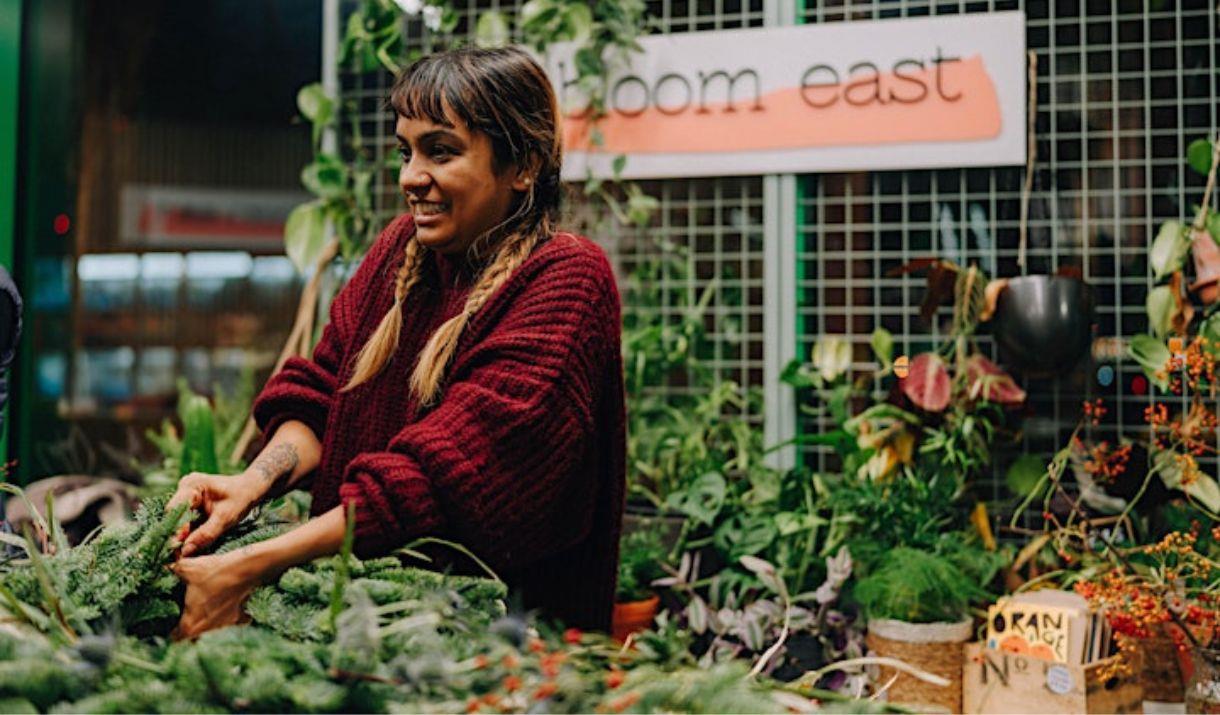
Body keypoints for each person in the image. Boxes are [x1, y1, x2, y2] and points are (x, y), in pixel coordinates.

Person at [167, 46, 626, 637]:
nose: (411, 176)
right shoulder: (400, 253)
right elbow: (319, 394)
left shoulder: (566, 279)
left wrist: (250, 566)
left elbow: (441, 482)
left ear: (524, 166)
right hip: (350, 629)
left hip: (492, 654)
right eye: (405, 151)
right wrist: (249, 487)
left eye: (441, 150)